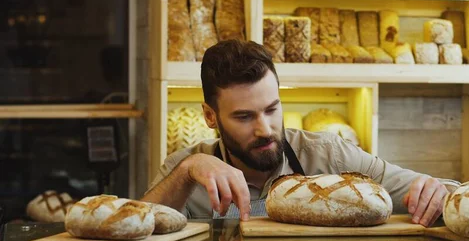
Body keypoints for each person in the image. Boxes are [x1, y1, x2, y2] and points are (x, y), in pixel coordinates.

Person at [142, 39, 450, 227]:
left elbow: (435, 193)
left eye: (272, 109)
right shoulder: (184, 170)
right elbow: (139, 226)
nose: (265, 129)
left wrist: (436, 191)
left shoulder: (327, 153)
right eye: (245, 116)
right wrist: (187, 172)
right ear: (210, 116)